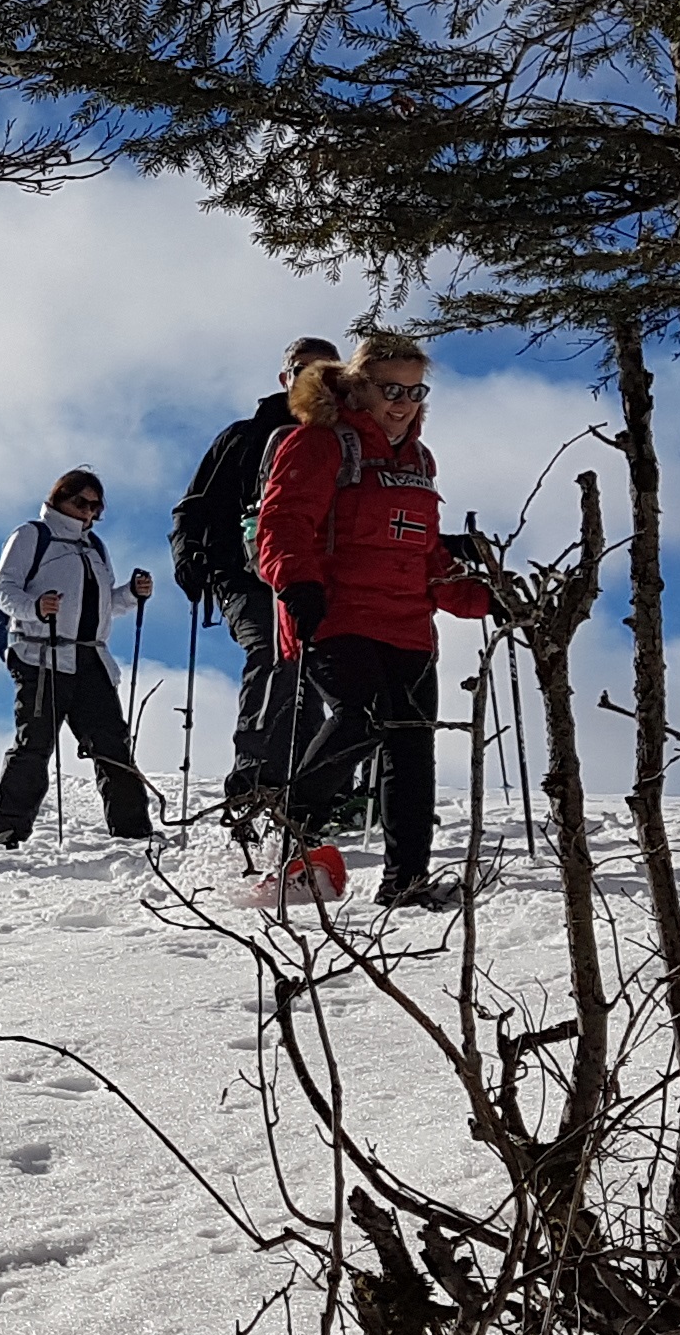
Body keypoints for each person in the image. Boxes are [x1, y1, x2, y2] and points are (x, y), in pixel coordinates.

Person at [254, 332, 494, 909]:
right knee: (362, 718)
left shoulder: (418, 459)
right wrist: (297, 583)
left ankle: (406, 881)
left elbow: (427, 556)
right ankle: (292, 833)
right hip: (336, 615)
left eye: (415, 390)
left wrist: (486, 598)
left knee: (411, 750)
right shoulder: (319, 443)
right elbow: (282, 522)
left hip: (409, 626)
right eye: (390, 388)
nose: (403, 401)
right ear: (360, 385)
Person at [174, 335, 340, 841]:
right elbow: (196, 504)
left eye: (324, 371)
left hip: (315, 575)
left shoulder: (346, 440)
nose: (311, 379)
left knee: (313, 677)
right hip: (244, 574)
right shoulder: (244, 437)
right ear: (284, 377)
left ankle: (309, 793)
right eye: (301, 369)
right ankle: (252, 782)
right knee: (273, 655)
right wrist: (190, 557)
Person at [0, 468, 156, 846]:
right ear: (59, 498)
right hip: (39, 654)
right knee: (36, 744)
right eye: (81, 503)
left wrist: (131, 593)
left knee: (111, 745)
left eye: (96, 506)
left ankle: (133, 831)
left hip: (88, 658)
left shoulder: (95, 546)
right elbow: (3, 589)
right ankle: (7, 829)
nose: (89, 512)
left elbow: (103, 605)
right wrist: (35, 608)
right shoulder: (32, 535)